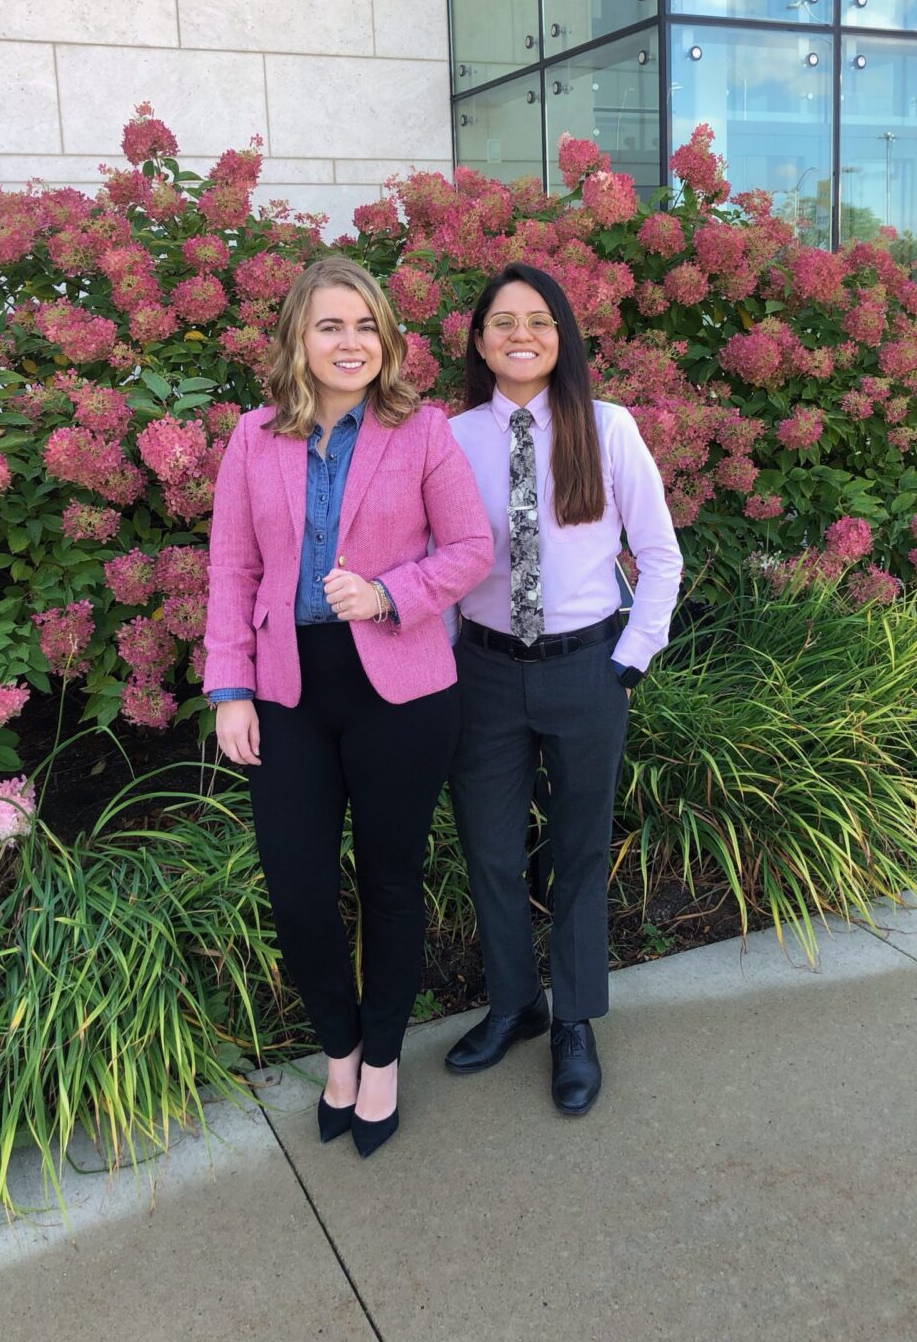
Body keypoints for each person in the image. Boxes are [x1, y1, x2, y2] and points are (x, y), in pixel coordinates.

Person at [204, 256, 492, 1158]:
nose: (351, 342)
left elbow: (472, 547)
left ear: (387, 340)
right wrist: (229, 689)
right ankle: (340, 1047)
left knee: (389, 882)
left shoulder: (423, 431)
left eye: (366, 326)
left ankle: (382, 1061)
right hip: (287, 688)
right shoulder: (253, 437)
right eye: (331, 325)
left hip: (400, 691)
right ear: (299, 336)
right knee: (298, 889)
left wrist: (389, 592)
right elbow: (232, 568)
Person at [444, 261, 682, 1116]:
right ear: (479, 342)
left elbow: (660, 556)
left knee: (579, 851)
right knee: (489, 849)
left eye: (538, 320)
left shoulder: (607, 428)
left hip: (587, 668)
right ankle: (517, 1005)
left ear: (562, 336)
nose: (521, 334)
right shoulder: (449, 438)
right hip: (483, 674)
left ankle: (575, 1019)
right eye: (503, 321)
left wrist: (630, 659)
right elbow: (437, 564)